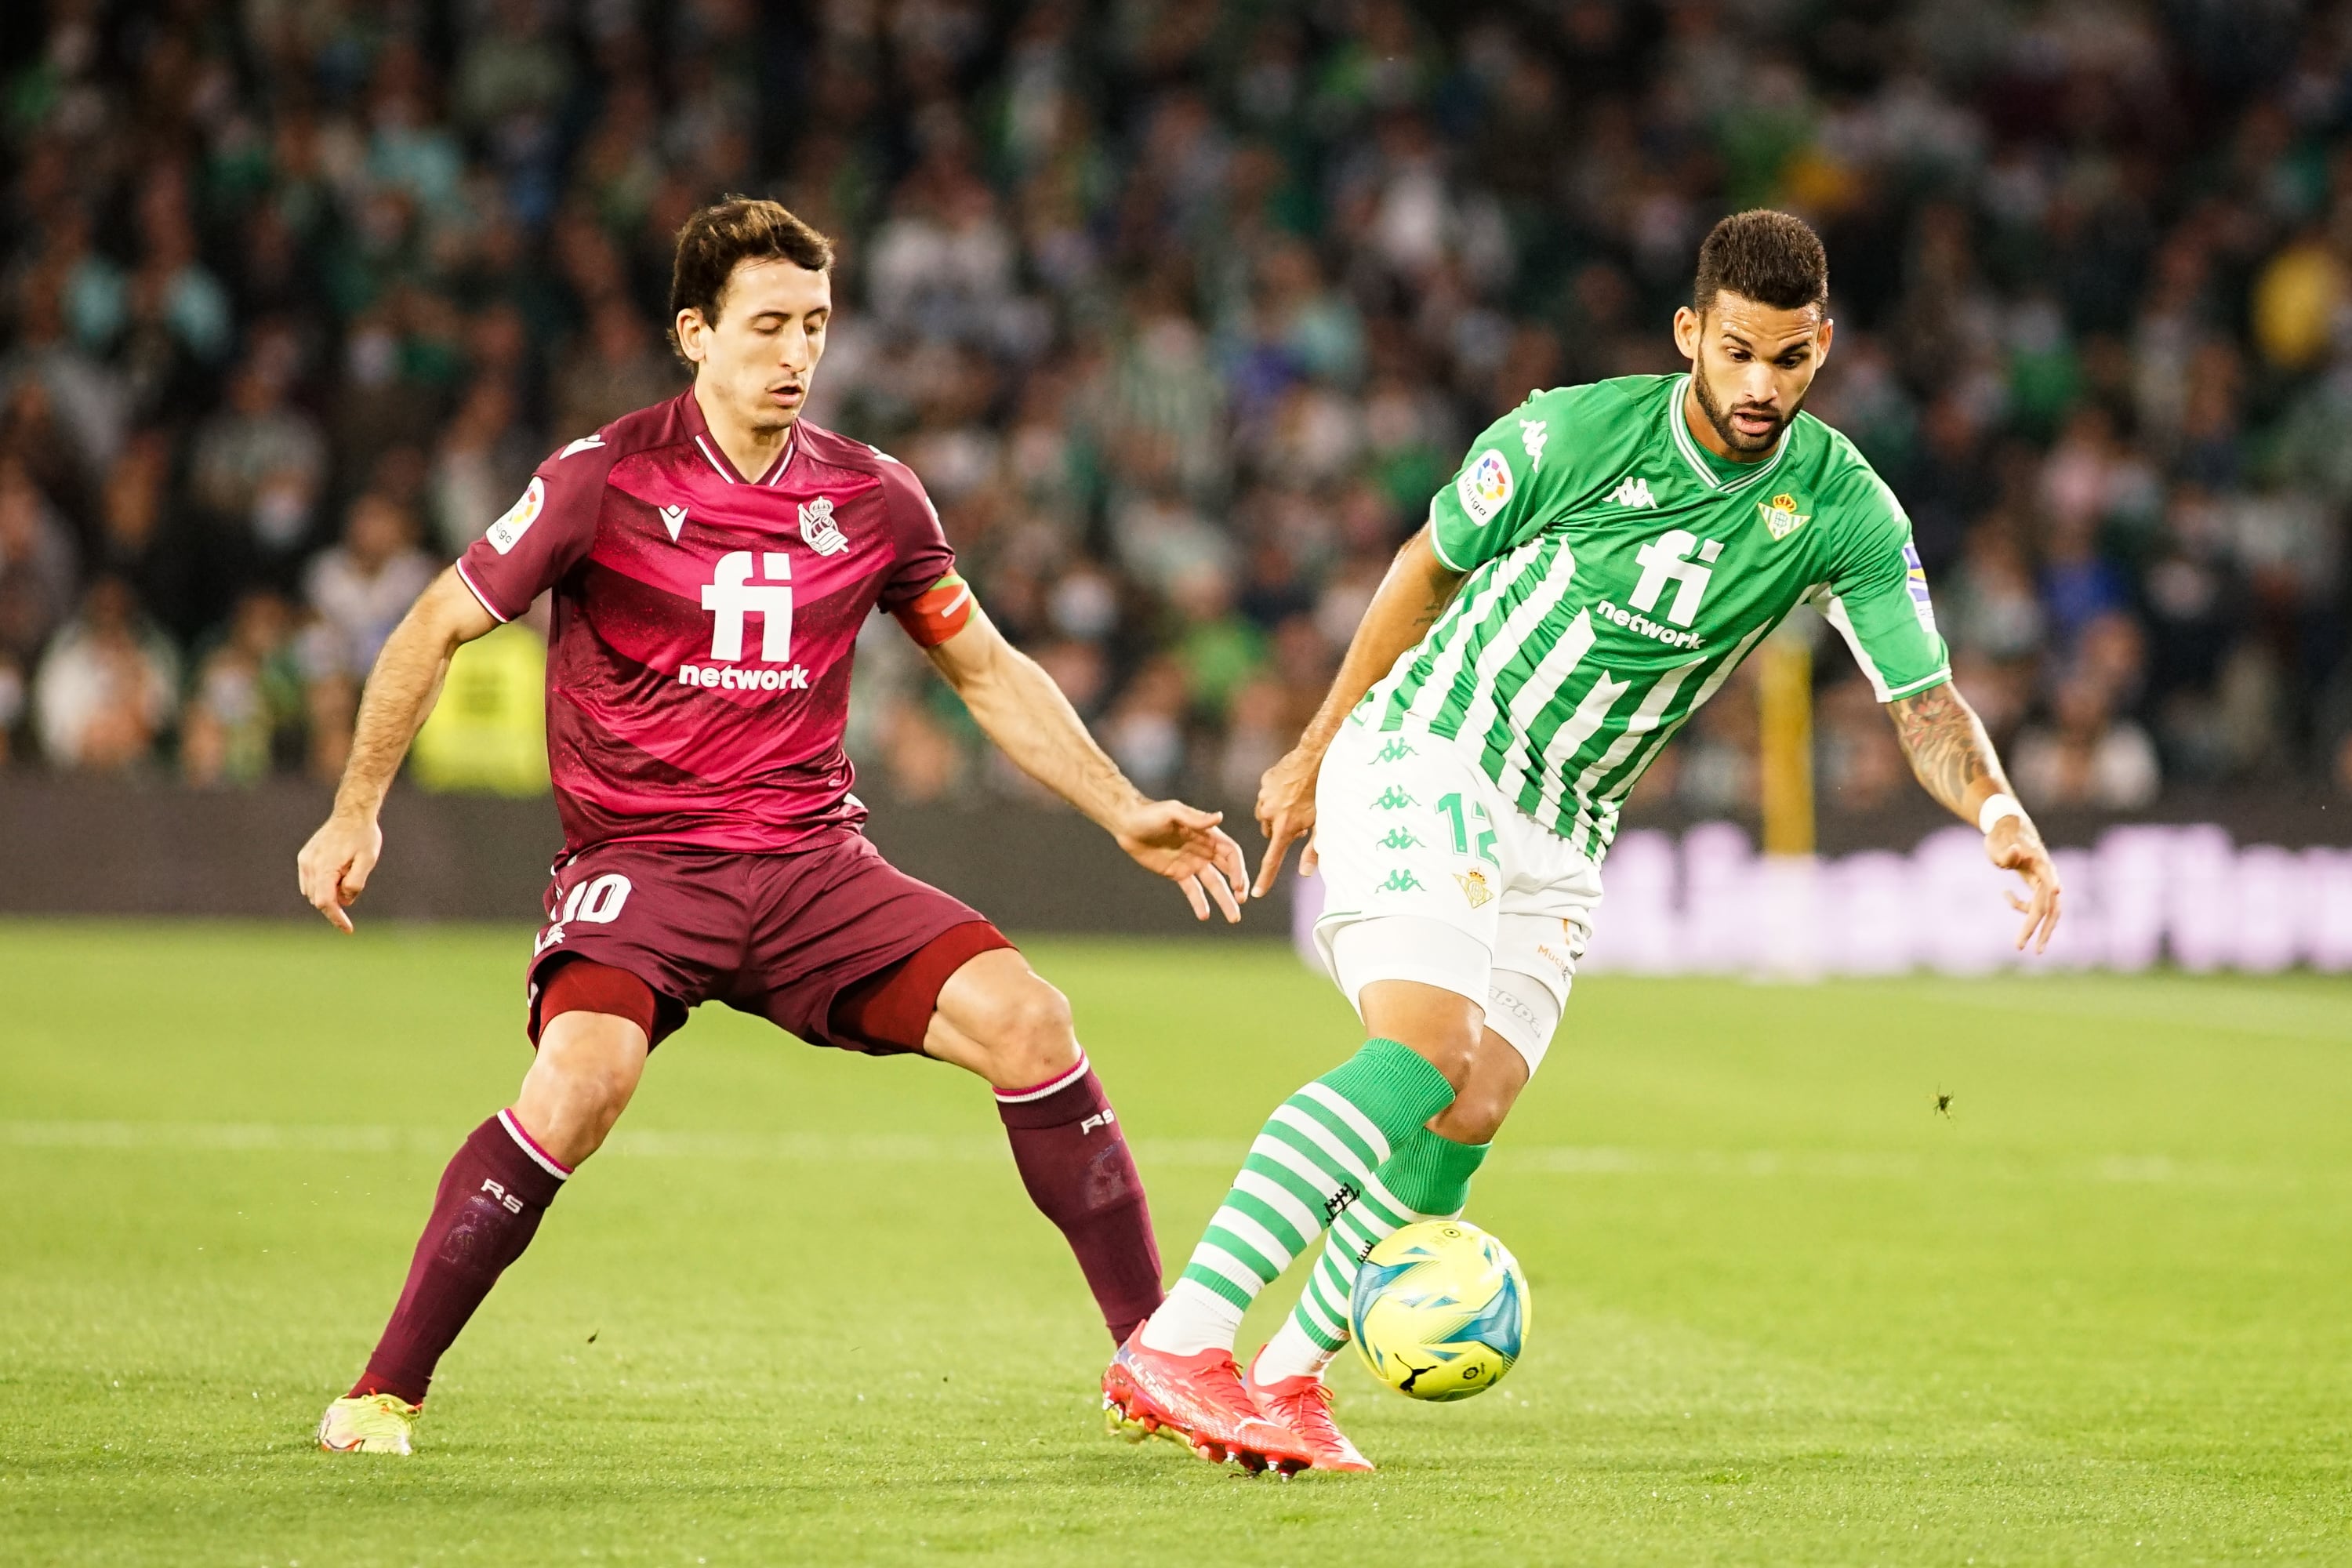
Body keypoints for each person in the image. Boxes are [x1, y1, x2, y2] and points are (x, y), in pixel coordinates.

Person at [1102, 210, 2063, 1473]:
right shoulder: (1573, 432)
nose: (1761, 386)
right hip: (1436, 742)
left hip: (1570, 819)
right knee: (1427, 1048)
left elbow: (1924, 701)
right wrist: (1318, 743)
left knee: (1474, 1103)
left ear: (1823, 347)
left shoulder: (1845, 510)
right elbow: (1424, 570)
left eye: (1789, 359)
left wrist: (2000, 812)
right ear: (1690, 336)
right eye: (1737, 354)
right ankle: (1181, 1340)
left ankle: (1286, 1380)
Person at [300, 198, 1250, 1456]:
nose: (795, 353)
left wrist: (1125, 808)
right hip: (645, 867)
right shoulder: (601, 477)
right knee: (583, 1082)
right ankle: (381, 1392)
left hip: (813, 871)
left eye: (815, 324)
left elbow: (985, 671)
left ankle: (1154, 1365)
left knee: (1033, 1021)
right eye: (766, 326)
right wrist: (355, 806)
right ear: (694, 333)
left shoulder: (874, 495)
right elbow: (434, 623)